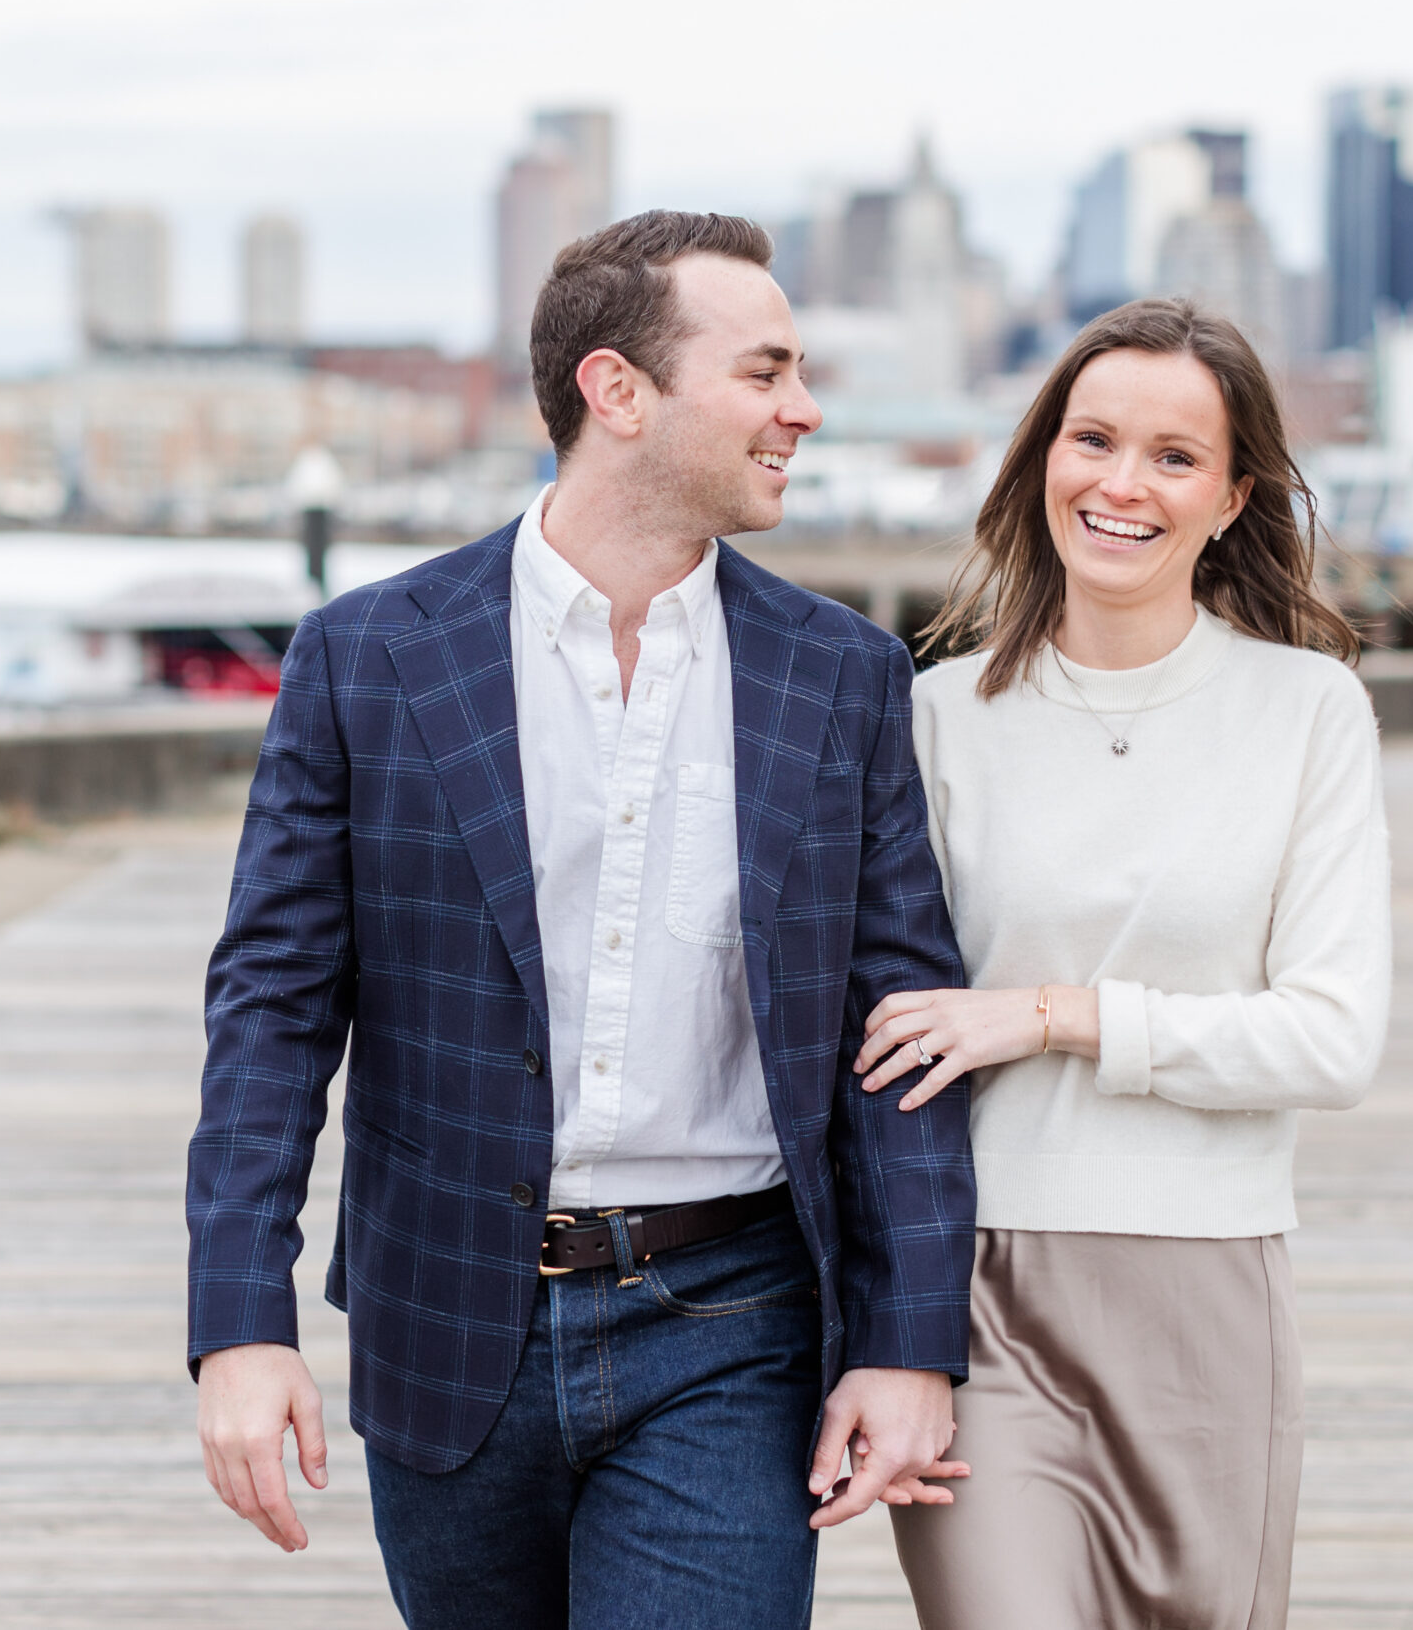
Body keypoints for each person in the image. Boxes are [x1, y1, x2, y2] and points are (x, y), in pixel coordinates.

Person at [185, 209, 976, 1630]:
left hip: (731, 1323)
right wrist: (241, 1320)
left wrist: (912, 1339)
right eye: (765, 371)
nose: (803, 408)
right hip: (446, 1316)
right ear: (618, 392)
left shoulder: (842, 678)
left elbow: (896, 1028)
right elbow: (274, 1010)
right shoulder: (370, 657)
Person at [858, 298, 1391, 1629]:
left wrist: (1058, 1017)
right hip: (974, 1295)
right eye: (1092, 439)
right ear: (1041, 458)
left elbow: (1331, 1039)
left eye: (1172, 456)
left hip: (1208, 1290)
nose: (1121, 484)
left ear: (1231, 495)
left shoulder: (1308, 711)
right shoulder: (929, 720)